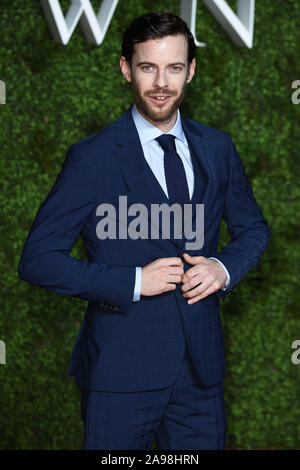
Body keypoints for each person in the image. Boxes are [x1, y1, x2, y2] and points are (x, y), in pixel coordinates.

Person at [18, 11, 271, 450]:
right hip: (120, 371)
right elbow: (37, 260)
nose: (161, 83)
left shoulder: (218, 147)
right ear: (125, 68)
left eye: (174, 67)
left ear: (190, 70)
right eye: (147, 67)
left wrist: (222, 267)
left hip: (200, 374)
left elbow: (253, 229)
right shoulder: (92, 157)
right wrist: (135, 281)